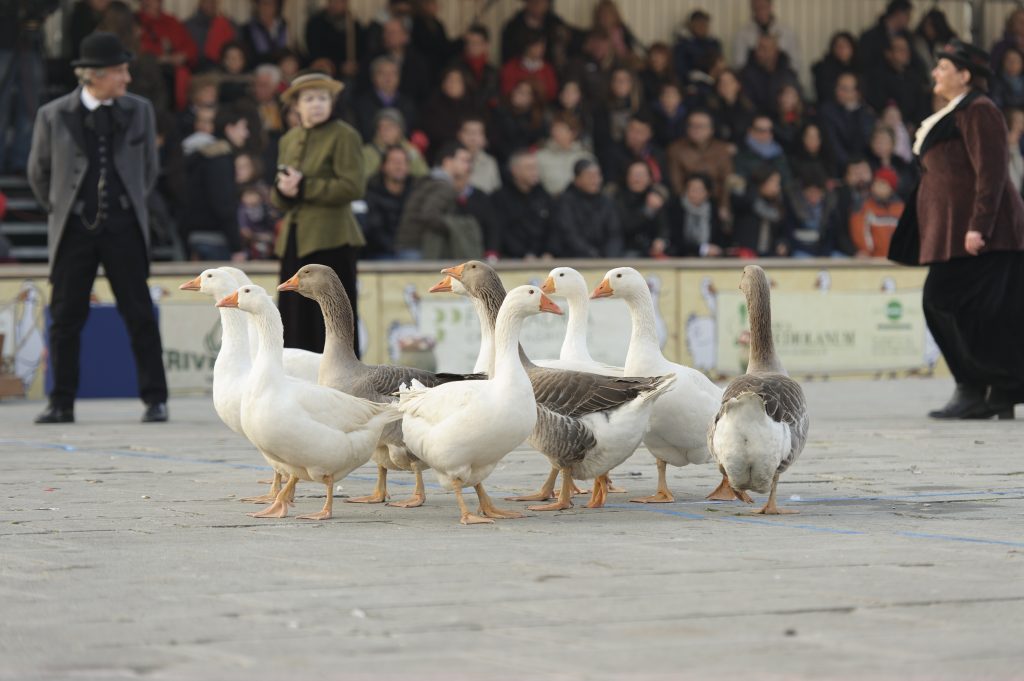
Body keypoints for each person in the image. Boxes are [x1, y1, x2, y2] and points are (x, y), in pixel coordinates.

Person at [27, 32, 168, 424]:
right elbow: (38, 173)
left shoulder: (140, 110)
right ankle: (61, 402)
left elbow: (149, 171)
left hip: (124, 227)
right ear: (94, 75)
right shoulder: (53, 114)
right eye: (120, 71)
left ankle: (156, 398)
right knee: (65, 317)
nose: (127, 78)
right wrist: (63, 208)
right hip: (73, 230)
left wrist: (126, 204)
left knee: (139, 314)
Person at [891, 40, 1024, 419]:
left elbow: (992, 172)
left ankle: (974, 387)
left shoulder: (979, 110)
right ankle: (997, 391)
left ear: (965, 75)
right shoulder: (959, 111)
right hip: (958, 234)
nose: (935, 72)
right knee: (983, 313)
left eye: (944, 67)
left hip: (983, 235)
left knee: (941, 299)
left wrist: (979, 226)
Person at [271, 72, 364, 355]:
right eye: (309, 99)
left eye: (323, 98)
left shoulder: (345, 135)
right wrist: (284, 191)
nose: (317, 104)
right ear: (296, 106)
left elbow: (353, 186)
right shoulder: (289, 139)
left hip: (332, 239)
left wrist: (304, 187)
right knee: (294, 319)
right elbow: (280, 196)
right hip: (295, 239)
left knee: (333, 321)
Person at [183, 104, 250, 261]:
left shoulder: (208, 155)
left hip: (199, 235)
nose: (246, 134)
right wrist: (236, 246)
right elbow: (224, 204)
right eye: (243, 127)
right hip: (214, 240)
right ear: (229, 128)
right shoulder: (219, 159)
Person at [395, 142, 481, 260]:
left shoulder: (431, 180)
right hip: (418, 248)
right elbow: (429, 215)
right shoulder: (442, 186)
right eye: (464, 160)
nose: (468, 166)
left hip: (408, 246)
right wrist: (453, 226)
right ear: (447, 162)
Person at [1, 0, 58, 174]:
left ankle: (21, 160)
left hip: (31, 38)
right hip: (4, 37)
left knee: (30, 104)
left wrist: (40, 10)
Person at [551, 158, 622, 257]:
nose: (595, 180)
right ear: (577, 180)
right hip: (573, 257)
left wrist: (610, 257)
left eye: (597, 175)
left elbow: (614, 234)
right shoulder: (565, 202)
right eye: (589, 176)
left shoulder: (607, 202)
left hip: (604, 258)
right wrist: (592, 255)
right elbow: (569, 234)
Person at [666, 109, 733, 215]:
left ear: (711, 130)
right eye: (692, 125)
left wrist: (724, 205)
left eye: (701, 126)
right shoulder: (675, 149)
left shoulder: (722, 150)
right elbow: (676, 184)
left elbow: (727, 180)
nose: (696, 130)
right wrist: (692, 199)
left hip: (715, 201)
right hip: (686, 202)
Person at [490, 149, 553, 259]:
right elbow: (501, 231)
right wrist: (523, 254)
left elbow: (552, 227)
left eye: (536, 168)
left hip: (543, 258)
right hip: (512, 259)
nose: (534, 172)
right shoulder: (500, 198)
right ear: (515, 170)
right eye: (529, 168)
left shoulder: (543, 195)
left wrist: (549, 251)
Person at [361, 145, 413, 260]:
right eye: (394, 161)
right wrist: (393, 247)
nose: (399, 166)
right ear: (383, 166)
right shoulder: (371, 192)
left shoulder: (417, 190)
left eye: (402, 162)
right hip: (379, 251)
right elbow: (373, 228)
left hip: (409, 248)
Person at [658, 173, 727, 258]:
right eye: (692, 189)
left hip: (710, 259)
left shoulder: (713, 209)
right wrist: (703, 249)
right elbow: (675, 240)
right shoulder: (675, 208)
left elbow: (719, 238)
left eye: (699, 190)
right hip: (680, 258)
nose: (695, 193)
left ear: (708, 193)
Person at [732, 0, 801, 73]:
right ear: (752, 8)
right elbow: (739, 65)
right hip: (752, 77)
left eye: (763, 7)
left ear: (770, 6)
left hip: (782, 76)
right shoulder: (742, 35)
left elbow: (795, 64)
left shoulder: (787, 33)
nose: (761, 11)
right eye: (757, 8)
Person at [615, 161, 668, 257]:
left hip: (652, 249)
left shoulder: (656, 196)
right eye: (634, 174)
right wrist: (648, 210)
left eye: (641, 175)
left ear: (650, 178)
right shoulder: (618, 198)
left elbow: (664, 227)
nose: (637, 179)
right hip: (627, 248)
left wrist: (661, 239)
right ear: (627, 177)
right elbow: (625, 226)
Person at [361, 108, 428, 183]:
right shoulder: (367, 152)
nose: (385, 130)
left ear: (400, 130)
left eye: (390, 126)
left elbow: (423, 174)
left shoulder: (410, 150)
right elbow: (363, 178)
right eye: (381, 127)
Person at [535, 111, 593, 196]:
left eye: (561, 130)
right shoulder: (540, 156)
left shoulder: (585, 157)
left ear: (574, 133)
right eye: (554, 130)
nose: (556, 133)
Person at [184, 0, 236, 72]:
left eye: (214, 2)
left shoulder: (229, 24)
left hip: (225, 70)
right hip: (197, 70)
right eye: (208, 1)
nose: (211, 4)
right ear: (200, 3)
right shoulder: (188, 26)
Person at [457, 117, 501, 194]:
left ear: (484, 138)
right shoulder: (450, 160)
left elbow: (495, 190)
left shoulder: (490, 161)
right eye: (469, 132)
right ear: (459, 135)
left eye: (478, 133)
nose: (473, 138)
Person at [812, 32, 858, 106]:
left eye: (846, 46)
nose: (842, 50)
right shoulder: (824, 70)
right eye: (839, 46)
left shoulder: (860, 68)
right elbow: (825, 94)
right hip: (832, 106)